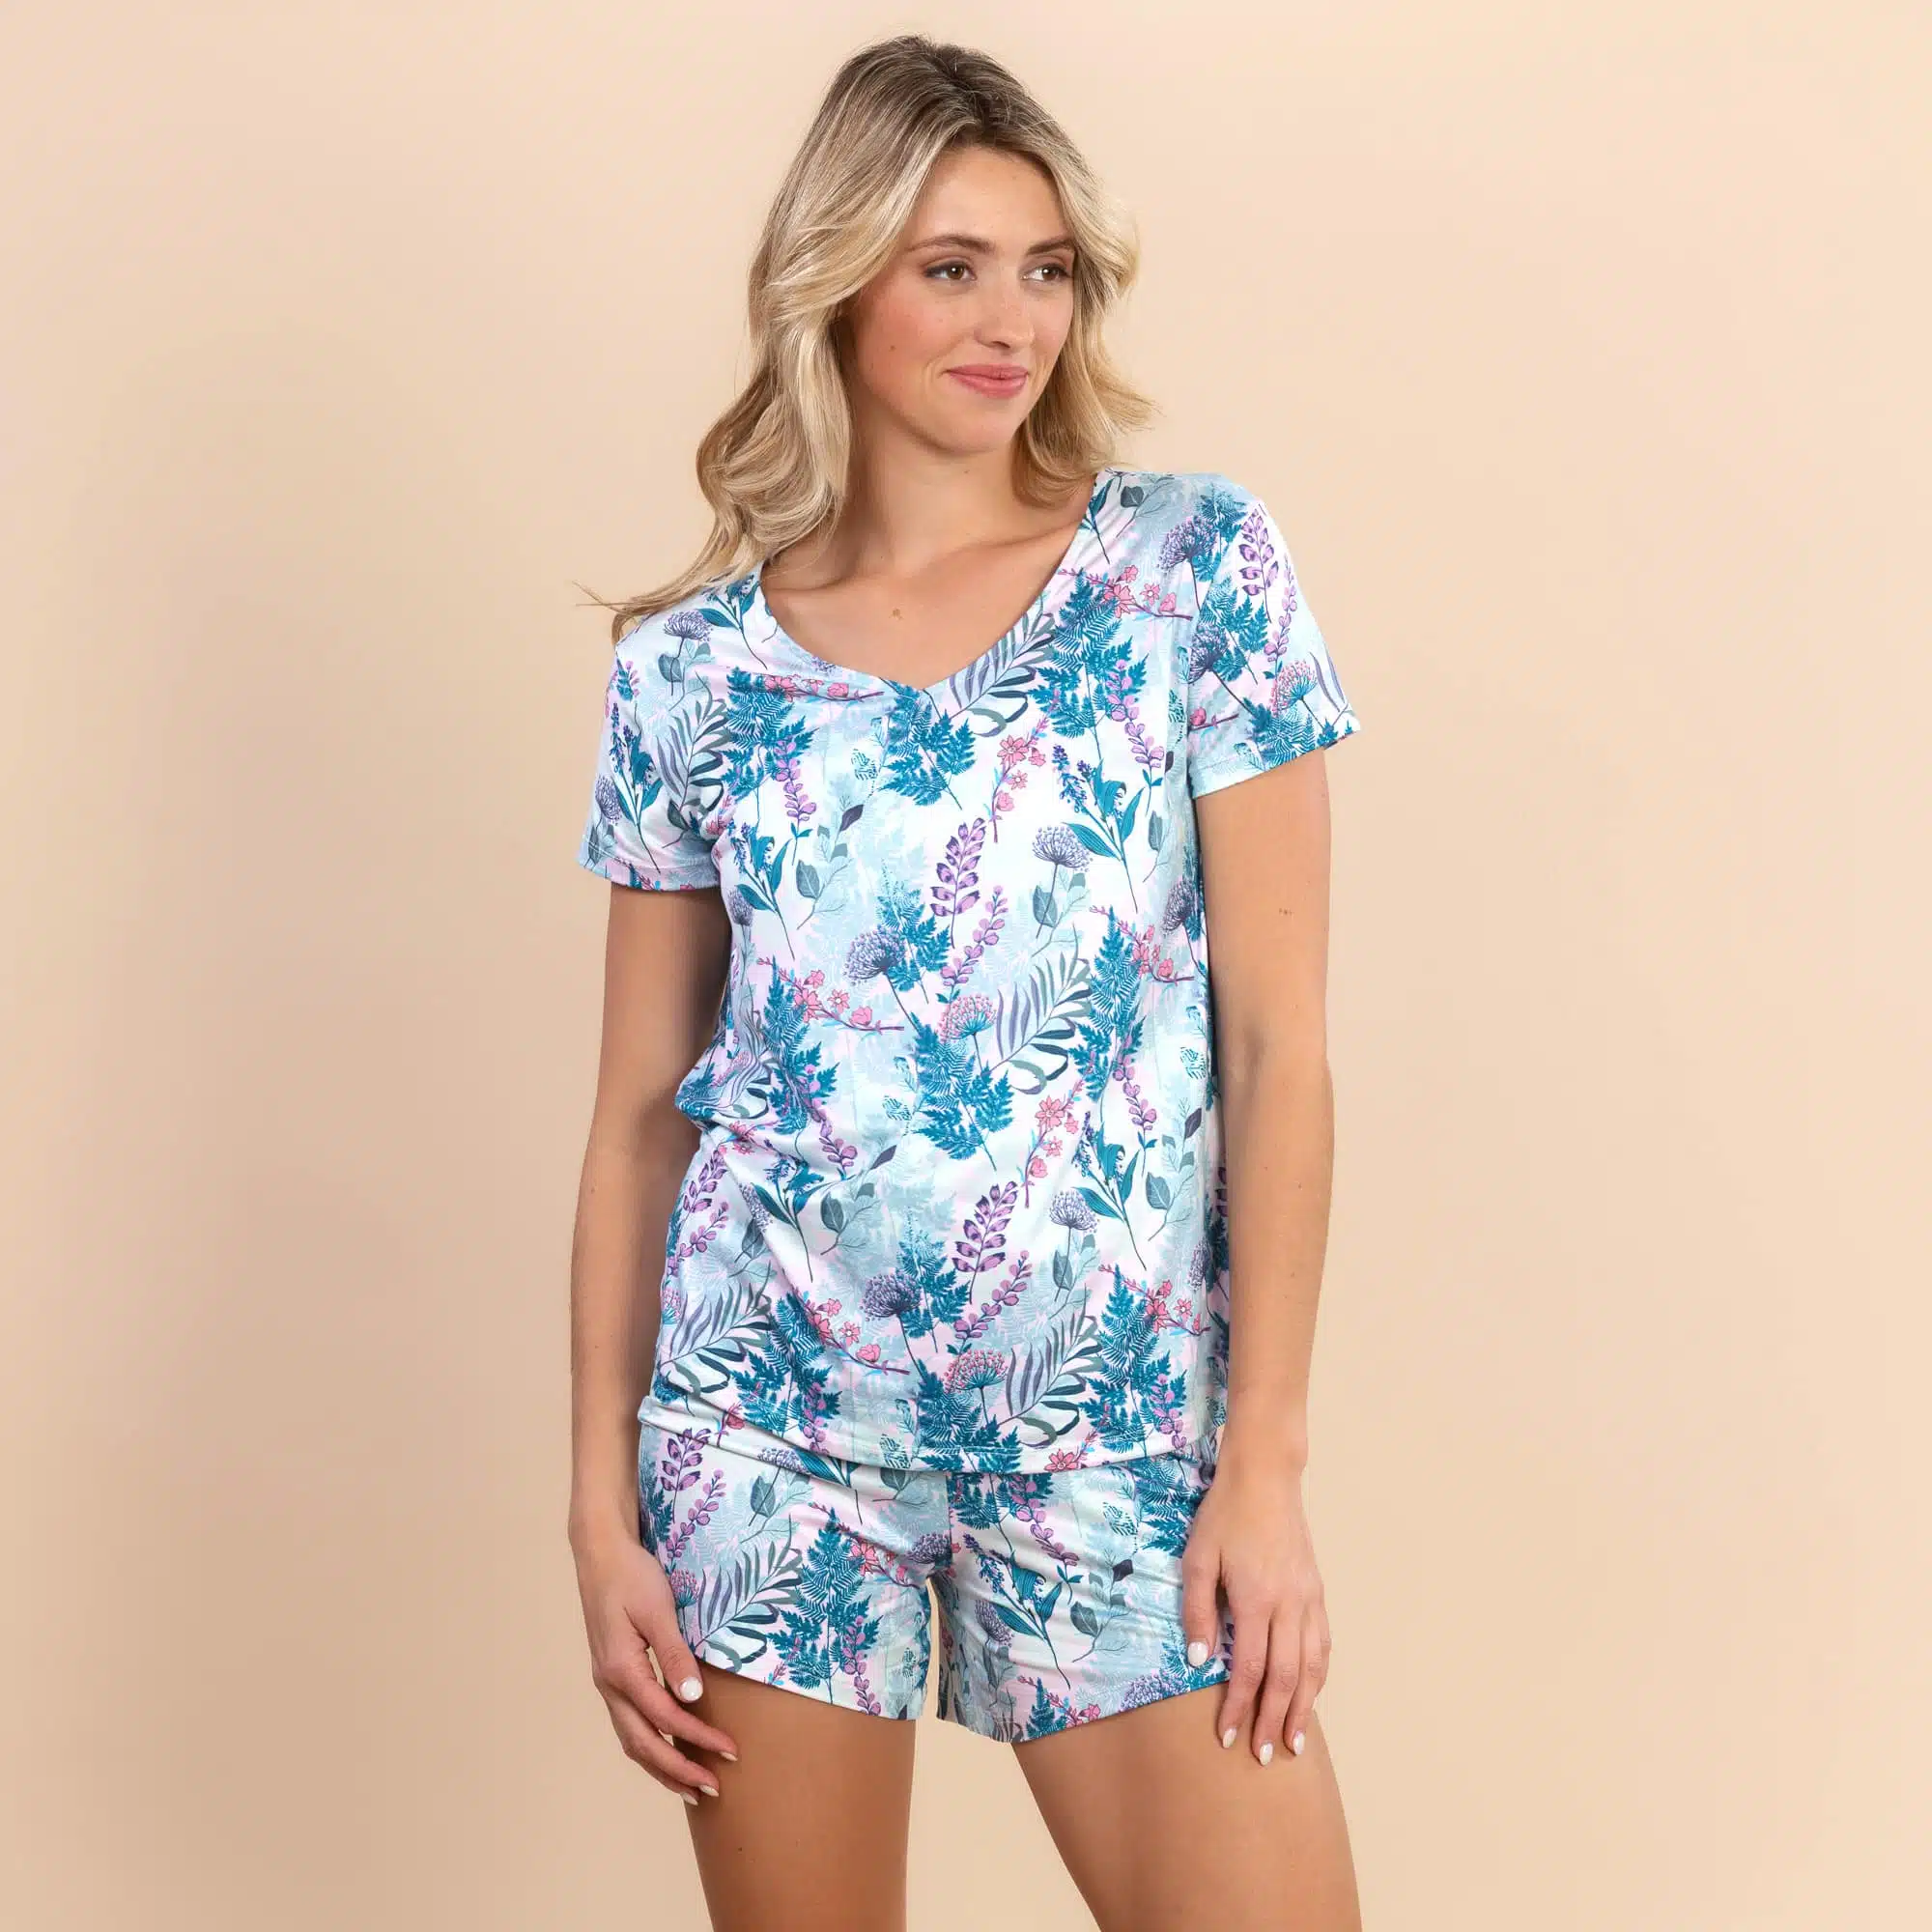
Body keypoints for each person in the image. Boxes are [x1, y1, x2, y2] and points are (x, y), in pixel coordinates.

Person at [566, 32, 1365, 1932]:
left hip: (1112, 1442)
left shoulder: (1186, 576)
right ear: (838, 284)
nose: (1013, 321)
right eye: (952, 267)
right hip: (767, 1446)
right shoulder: (693, 671)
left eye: (1046, 269)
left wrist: (1262, 1461)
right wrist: (601, 1508)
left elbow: (1279, 1049)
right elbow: (637, 1122)